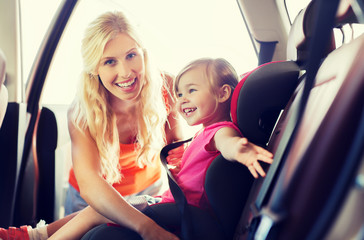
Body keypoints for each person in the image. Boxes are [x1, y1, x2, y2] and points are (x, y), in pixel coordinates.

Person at [0, 10, 183, 240]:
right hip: (91, 200)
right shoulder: (81, 112)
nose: (125, 72)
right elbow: (91, 184)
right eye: (109, 62)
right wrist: (148, 227)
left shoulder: (166, 86)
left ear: (143, 54)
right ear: (94, 69)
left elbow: (176, 147)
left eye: (131, 55)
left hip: (149, 188)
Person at [47, 57, 274, 240]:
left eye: (191, 90)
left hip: (179, 211)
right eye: (179, 94)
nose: (182, 100)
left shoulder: (219, 131)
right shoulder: (203, 133)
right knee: (97, 216)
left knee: (98, 212)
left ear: (223, 94)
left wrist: (240, 150)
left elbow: (227, 141)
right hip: (171, 205)